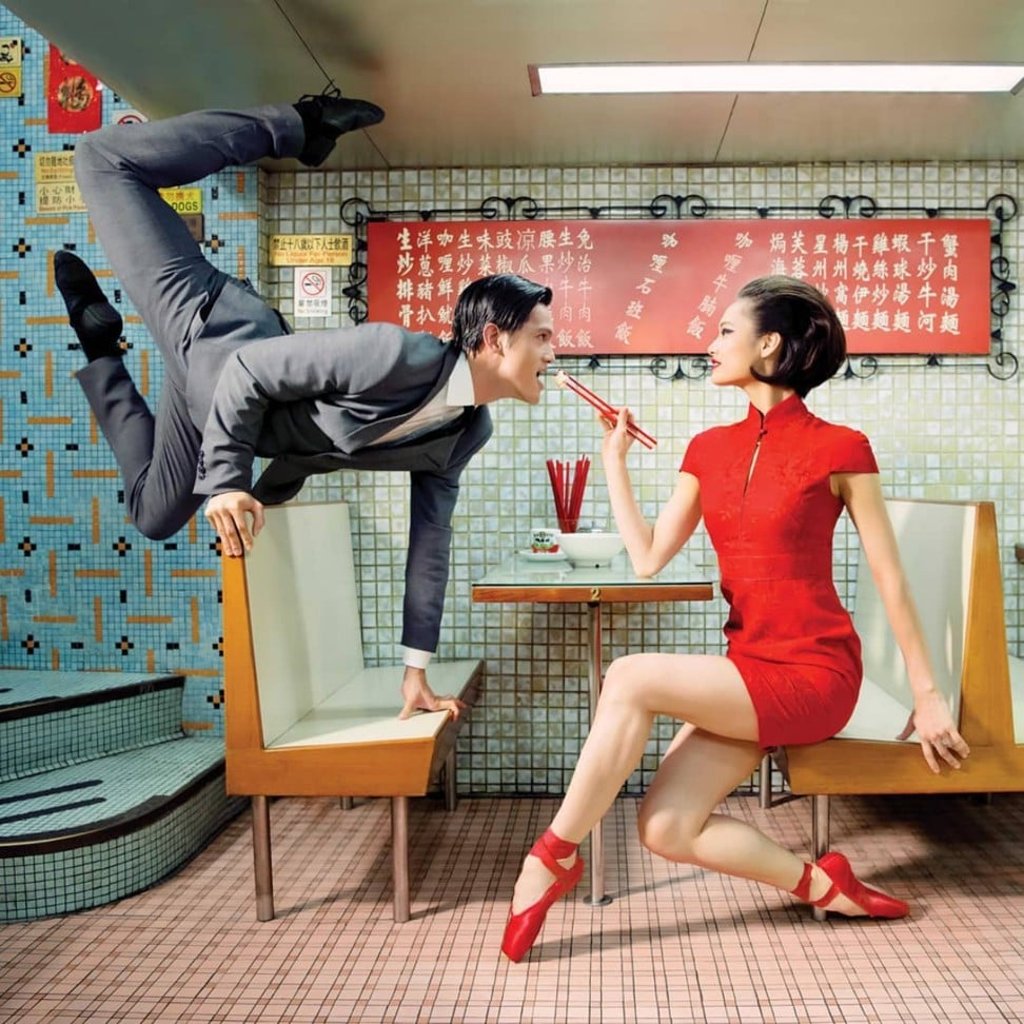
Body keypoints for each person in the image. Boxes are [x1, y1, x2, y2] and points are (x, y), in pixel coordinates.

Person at [501, 275, 970, 962]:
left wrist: (927, 698)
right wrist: (615, 463)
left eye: (725, 331)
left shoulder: (842, 447)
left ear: (770, 344)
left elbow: (890, 579)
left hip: (815, 674)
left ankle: (551, 857)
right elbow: (648, 558)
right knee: (665, 827)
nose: (710, 343)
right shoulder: (707, 451)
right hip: (751, 670)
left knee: (629, 676)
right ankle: (823, 884)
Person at [53, 92, 555, 720]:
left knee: (153, 516)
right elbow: (244, 370)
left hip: (222, 413)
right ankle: (298, 124)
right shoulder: (394, 353)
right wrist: (229, 484)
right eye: (543, 336)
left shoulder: (465, 432)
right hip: (212, 335)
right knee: (102, 157)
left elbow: (431, 545)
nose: (554, 353)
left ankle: (100, 348)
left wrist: (415, 672)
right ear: (493, 338)